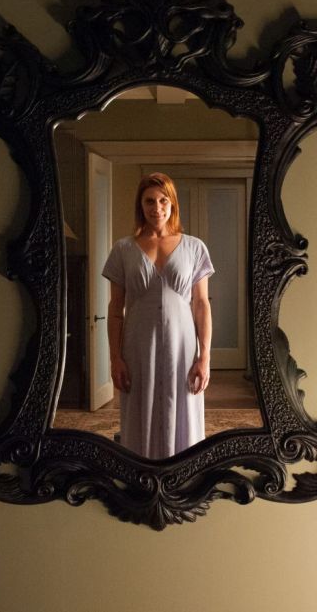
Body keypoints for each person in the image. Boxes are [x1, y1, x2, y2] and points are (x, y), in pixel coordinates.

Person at [102, 173, 215, 459]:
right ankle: (142, 473)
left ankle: (184, 472)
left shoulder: (194, 247)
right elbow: (115, 310)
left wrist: (204, 357)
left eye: (163, 200)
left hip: (183, 347)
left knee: (184, 406)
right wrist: (115, 358)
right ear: (140, 205)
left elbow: (201, 304)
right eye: (149, 201)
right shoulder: (123, 249)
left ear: (173, 203)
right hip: (138, 347)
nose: (157, 208)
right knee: (140, 410)